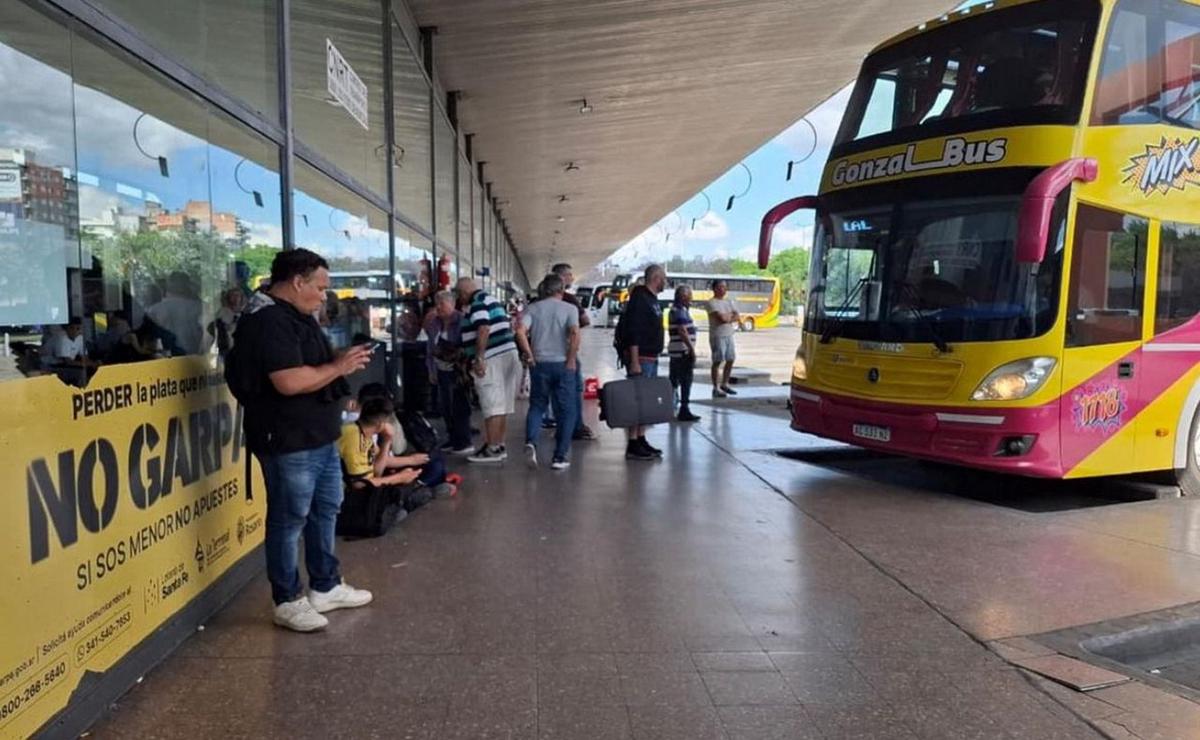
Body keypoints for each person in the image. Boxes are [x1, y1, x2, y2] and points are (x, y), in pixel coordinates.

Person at [233, 248, 374, 633]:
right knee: (288, 517)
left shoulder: (296, 316)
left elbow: (311, 368)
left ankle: (325, 585)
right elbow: (289, 380)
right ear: (297, 282)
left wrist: (338, 370)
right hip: (288, 438)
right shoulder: (267, 321)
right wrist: (338, 367)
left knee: (326, 508)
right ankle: (287, 599)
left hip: (319, 433)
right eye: (321, 287)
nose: (324, 296)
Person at [515, 274, 580, 470]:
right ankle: (559, 457)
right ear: (561, 290)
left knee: (537, 406)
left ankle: (531, 441)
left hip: (540, 364)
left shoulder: (533, 308)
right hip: (562, 364)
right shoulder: (570, 309)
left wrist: (529, 354)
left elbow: (519, 331)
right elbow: (575, 333)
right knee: (567, 411)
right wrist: (570, 359)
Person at [353, 383, 459, 497]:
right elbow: (367, 480)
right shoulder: (356, 432)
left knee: (435, 461)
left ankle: (419, 487)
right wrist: (401, 472)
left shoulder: (366, 429)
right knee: (434, 467)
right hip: (372, 484)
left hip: (378, 476)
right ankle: (415, 490)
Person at [457, 276, 522, 463]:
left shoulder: (477, 303)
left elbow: (483, 328)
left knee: (491, 404)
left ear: (463, 293)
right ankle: (498, 445)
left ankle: (492, 448)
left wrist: (479, 357)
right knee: (500, 405)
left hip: (492, 359)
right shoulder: (492, 300)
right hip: (508, 354)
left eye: (459, 295)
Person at [617, 264, 667, 461]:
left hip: (651, 357)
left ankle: (640, 438)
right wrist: (635, 360)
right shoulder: (640, 299)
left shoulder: (651, 299)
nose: (666, 282)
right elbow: (634, 332)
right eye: (664, 278)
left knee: (645, 402)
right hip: (642, 358)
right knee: (638, 400)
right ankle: (632, 443)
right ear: (656, 278)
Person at [551, 263, 598, 441]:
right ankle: (576, 426)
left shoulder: (540, 301)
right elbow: (585, 320)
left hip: (546, 354)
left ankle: (561, 424)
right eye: (569, 275)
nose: (572, 278)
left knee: (555, 391)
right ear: (561, 278)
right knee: (574, 388)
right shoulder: (569, 300)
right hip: (568, 351)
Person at [426, 291, 474, 455]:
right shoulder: (434, 323)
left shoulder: (462, 321)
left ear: (452, 304)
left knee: (460, 405)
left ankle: (464, 440)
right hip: (441, 369)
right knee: (445, 405)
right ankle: (453, 438)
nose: (438, 307)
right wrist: (431, 369)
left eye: (442, 304)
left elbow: (468, 345)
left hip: (458, 370)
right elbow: (430, 348)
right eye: (437, 303)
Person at [147, 271, 204, 356]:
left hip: (165, 361)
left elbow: (150, 341)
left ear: (168, 287)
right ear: (188, 287)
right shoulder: (200, 308)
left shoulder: (154, 311)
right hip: (195, 361)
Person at [668, 285, 701, 422]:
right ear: (683, 296)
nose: (691, 299)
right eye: (689, 296)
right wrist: (691, 349)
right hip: (682, 352)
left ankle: (672, 406)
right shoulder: (680, 311)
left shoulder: (676, 310)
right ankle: (684, 409)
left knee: (674, 380)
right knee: (685, 380)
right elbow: (682, 330)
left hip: (676, 352)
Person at [706, 279, 739, 398]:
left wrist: (728, 317)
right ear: (714, 289)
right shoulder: (711, 303)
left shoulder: (729, 301)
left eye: (725, 287)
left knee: (730, 359)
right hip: (717, 335)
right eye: (720, 287)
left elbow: (737, 316)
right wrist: (729, 316)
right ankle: (716, 387)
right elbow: (722, 319)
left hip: (729, 334)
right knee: (718, 360)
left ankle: (725, 383)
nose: (723, 290)